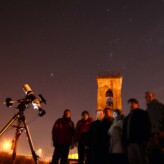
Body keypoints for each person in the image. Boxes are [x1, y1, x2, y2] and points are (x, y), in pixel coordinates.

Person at [122, 98, 151, 164]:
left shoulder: (142, 113)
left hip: (139, 142)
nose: (131, 105)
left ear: (137, 104)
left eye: (132, 103)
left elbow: (147, 126)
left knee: (142, 160)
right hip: (129, 143)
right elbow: (124, 131)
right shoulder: (127, 118)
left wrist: (146, 139)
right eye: (129, 104)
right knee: (132, 160)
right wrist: (124, 142)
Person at [145, 91, 164, 164]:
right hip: (151, 137)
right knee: (152, 156)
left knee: (160, 156)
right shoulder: (147, 110)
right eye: (146, 97)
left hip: (159, 135)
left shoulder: (159, 106)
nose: (148, 98)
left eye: (149, 96)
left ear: (153, 96)